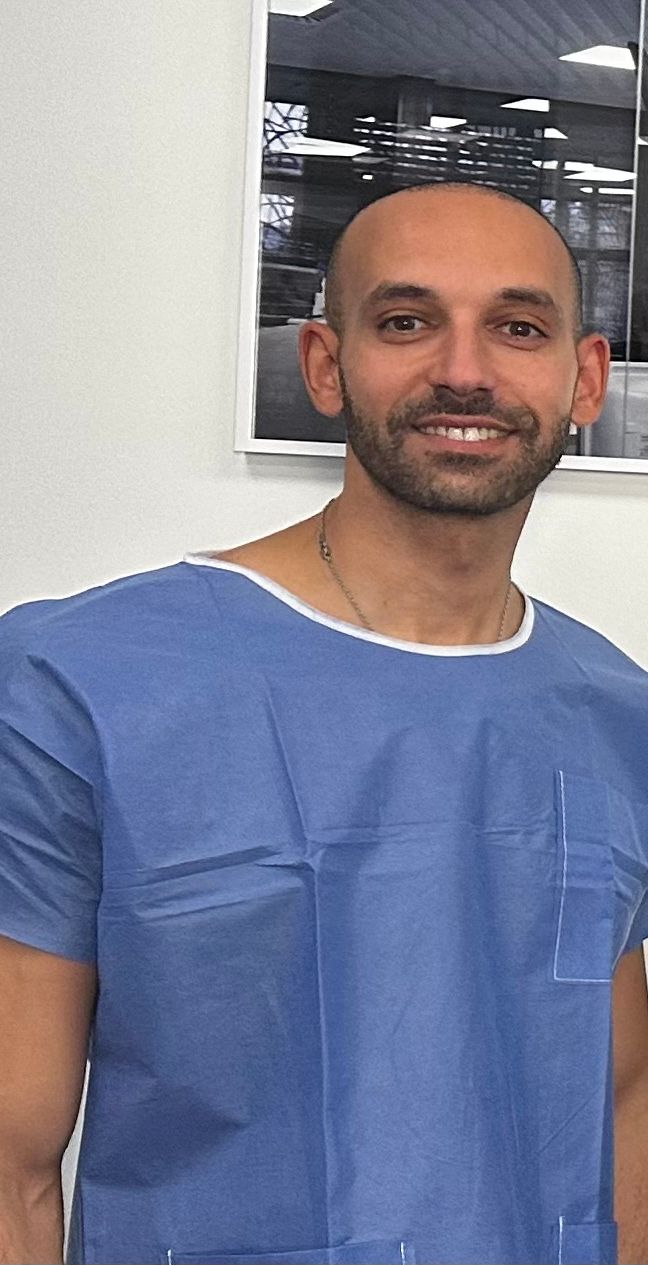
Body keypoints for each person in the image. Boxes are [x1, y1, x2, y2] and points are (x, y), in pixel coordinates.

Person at [1, 181, 648, 1265]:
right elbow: (11, 1160)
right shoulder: (84, 683)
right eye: (406, 320)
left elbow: (621, 1095)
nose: (464, 370)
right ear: (324, 363)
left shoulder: (616, 715)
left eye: (517, 327)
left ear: (584, 379)